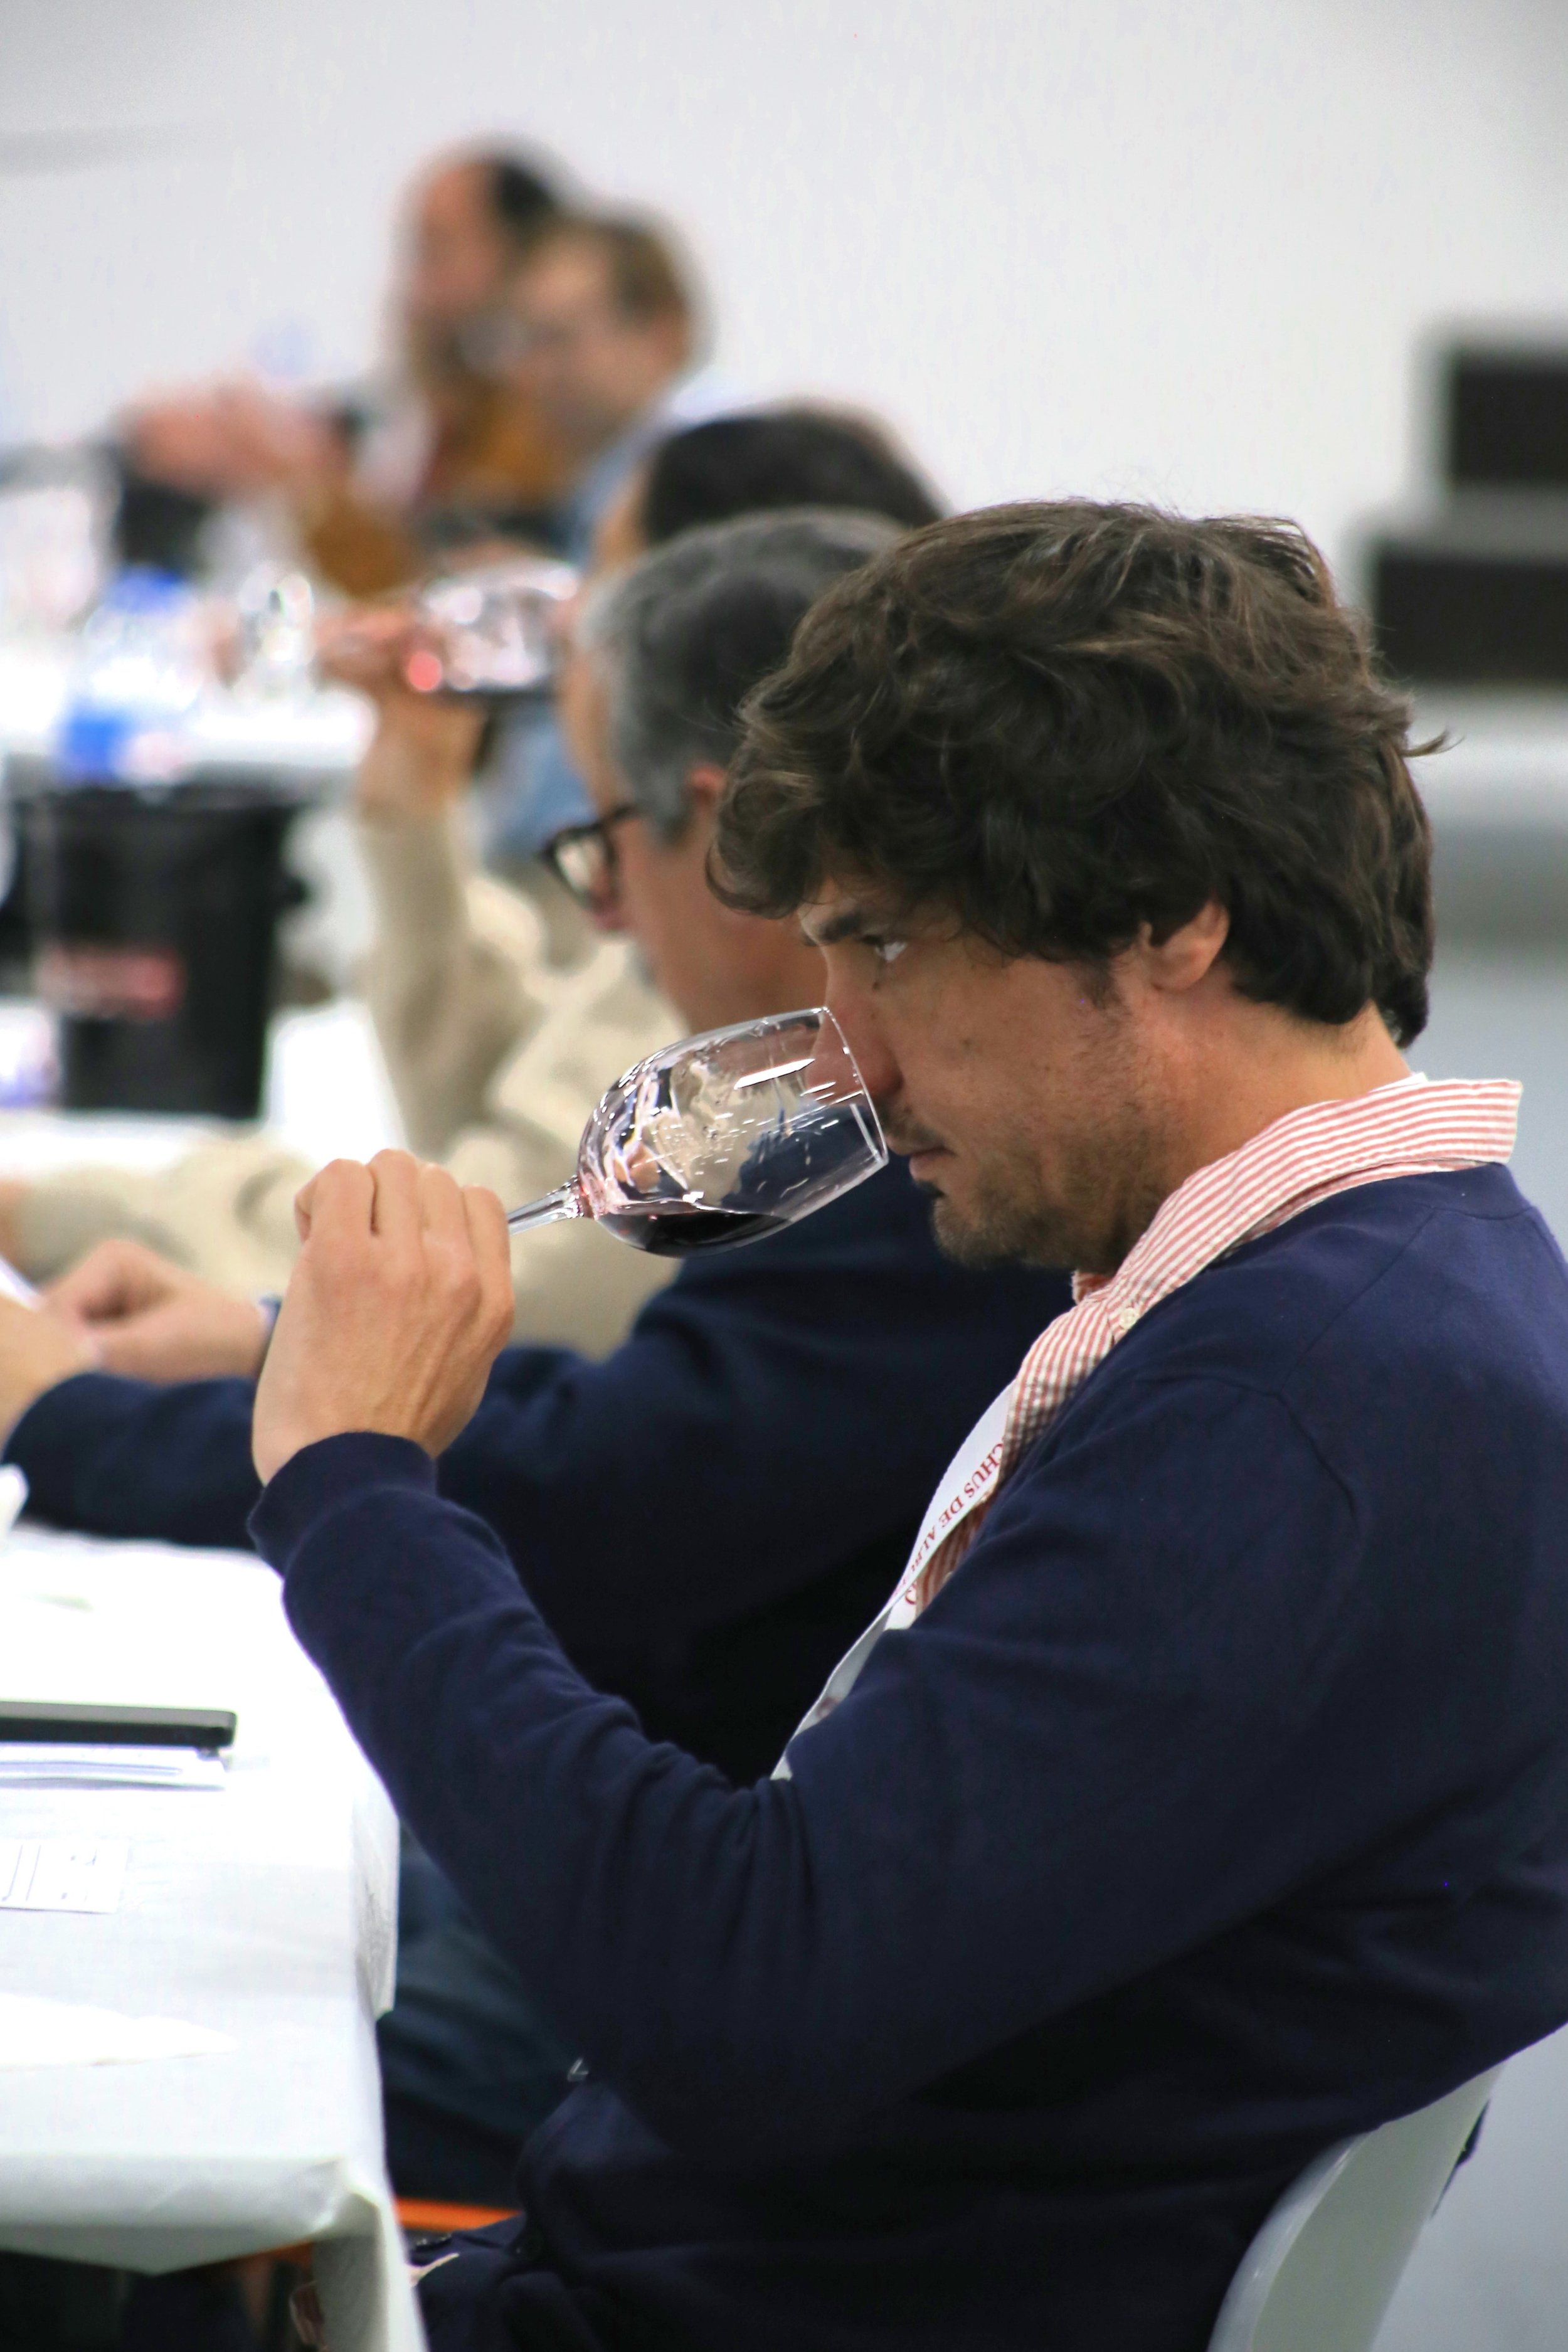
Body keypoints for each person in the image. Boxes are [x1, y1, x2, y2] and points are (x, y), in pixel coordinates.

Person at [73, 497, 1568, 2352]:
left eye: (887, 948)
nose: (845, 1054)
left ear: (1173, 918)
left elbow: (728, 2002)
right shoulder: (1369, 1309)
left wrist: (358, 1484)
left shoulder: (1304, 1413)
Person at [0, 509, 1071, 2205]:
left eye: (872, 931)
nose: (855, 1028)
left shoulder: (971, 1191)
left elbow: (606, 1489)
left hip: (660, 1972)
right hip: (683, 1909)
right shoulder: (1292, 1291)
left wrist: (165, 1429)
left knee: (141, 2036)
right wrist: (278, 1362)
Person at [0, 409, 946, 1337]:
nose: (562, 622)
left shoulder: (765, 973)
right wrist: (416, 808)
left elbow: (497, 1270)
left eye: (603, 577)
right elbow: (492, 1139)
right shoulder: (731, 916)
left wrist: (70, 1236)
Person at [122, 148, 572, 594]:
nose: (414, 289)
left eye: (438, 250)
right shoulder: (430, 422)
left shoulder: (541, 426)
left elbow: (429, 592)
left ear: (521, 257)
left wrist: (295, 478)